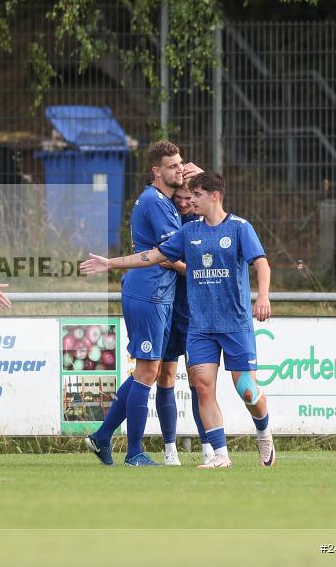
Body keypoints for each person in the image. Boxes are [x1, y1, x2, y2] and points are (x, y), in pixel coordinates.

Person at [81, 171, 276, 469]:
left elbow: (261, 263)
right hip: (201, 327)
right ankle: (220, 455)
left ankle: (263, 432)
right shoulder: (189, 233)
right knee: (203, 385)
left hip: (235, 323)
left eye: (196, 195)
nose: (189, 201)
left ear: (214, 196)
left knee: (246, 389)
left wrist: (263, 296)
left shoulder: (239, 228)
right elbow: (153, 255)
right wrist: (111, 263)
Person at [84, 140, 186, 467]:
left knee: (148, 369)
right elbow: (171, 255)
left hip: (156, 292)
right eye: (172, 166)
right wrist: (207, 270)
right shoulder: (156, 203)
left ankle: (102, 437)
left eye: (180, 164)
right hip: (149, 292)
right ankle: (135, 452)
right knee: (147, 371)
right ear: (156, 171)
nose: (180, 169)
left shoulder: (163, 201)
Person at [161, 184, 214, 465]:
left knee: (198, 381)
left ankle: (208, 446)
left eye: (188, 197)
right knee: (166, 376)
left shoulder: (204, 222)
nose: (183, 202)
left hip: (195, 312)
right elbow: (155, 254)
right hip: (168, 308)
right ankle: (170, 449)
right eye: (178, 197)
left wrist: (179, 265)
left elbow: (205, 266)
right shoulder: (165, 217)